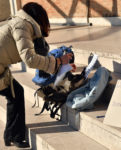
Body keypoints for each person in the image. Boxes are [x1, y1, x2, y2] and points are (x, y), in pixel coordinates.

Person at [0, 2, 74, 148]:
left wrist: (61, 66)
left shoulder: (19, 22)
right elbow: (30, 59)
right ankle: (15, 136)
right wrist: (59, 61)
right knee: (16, 94)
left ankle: (11, 135)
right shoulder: (22, 26)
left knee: (16, 93)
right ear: (39, 18)